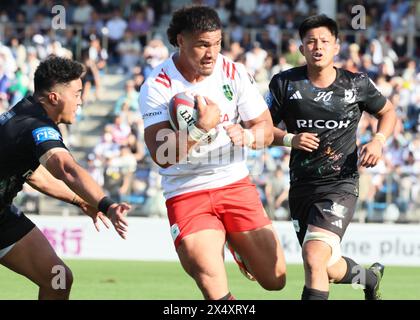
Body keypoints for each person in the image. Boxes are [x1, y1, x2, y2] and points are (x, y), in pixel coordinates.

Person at [139, 6, 286, 300]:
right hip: (186, 190)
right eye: (203, 45)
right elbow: (161, 153)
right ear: (180, 41)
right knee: (211, 281)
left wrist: (246, 135)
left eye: (217, 43)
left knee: (275, 279)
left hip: (233, 182)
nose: (212, 53)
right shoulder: (157, 85)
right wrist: (199, 130)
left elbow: (266, 130)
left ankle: (235, 243)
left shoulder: (233, 72)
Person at [267, 14, 397, 300]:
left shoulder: (356, 84)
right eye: (311, 41)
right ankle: (369, 278)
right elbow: (260, 130)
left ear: (336, 46)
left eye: (325, 41)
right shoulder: (284, 84)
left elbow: (387, 112)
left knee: (313, 256)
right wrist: (290, 139)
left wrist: (378, 140)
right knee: (325, 265)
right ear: (301, 48)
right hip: (301, 186)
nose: (318, 46)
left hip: (340, 184)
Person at [0, 55, 130, 300]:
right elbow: (66, 168)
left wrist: (80, 200)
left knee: (57, 279)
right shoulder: (36, 125)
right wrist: (107, 204)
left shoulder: (26, 112)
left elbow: (34, 176)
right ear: (54, 98)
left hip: (2, 215)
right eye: (77, 93)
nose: (81, 101)